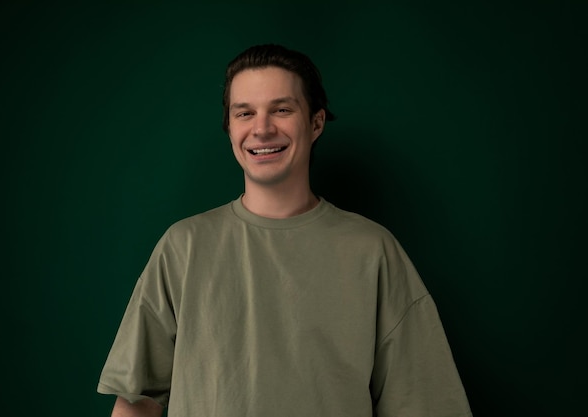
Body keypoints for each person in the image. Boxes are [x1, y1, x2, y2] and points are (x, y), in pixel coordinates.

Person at [97, 44, 472, 417]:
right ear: (230, 128)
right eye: (245, 113)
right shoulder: (183, 247)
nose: (262, 128)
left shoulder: (373, 251)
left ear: (316, 123)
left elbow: (424, 404)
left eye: (281, 109)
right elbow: (136, 403)